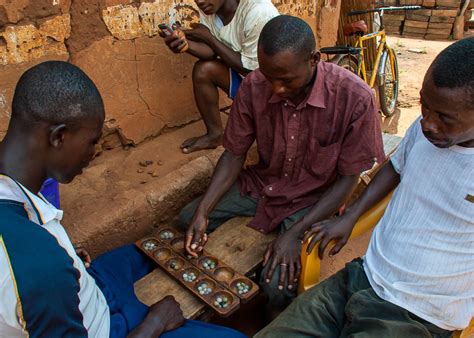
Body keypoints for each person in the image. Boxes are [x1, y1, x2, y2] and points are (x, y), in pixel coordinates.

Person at [0, 61, 246, 338]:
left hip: (87, 285)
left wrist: (65, 251)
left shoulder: (13, 193)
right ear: (59, 137)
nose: (93, 152)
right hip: (107, 327)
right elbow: (30, 272)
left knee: (152, 248)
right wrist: (153, 325)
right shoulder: (38, 272)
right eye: (93, 141)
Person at [256, 37, 474, 337]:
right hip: (362, 277)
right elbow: (395, 168)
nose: (428, 123)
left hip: (417, 315)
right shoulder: (423, 130)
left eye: (445, 118)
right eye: (424, 104)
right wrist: (350, 216)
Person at [178, 15, 385, 317]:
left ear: (314, 60)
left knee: (277, 287)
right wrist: (202, 211)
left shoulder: (355, 98)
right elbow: (234, 154)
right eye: (268, 75)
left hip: (313, 201)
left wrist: (294, 234)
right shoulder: (254, 85)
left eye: (286, 80)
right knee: (186, 219)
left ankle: (271, 322)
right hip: (263, 185)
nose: (275, 89)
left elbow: (347, 180)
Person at [160, 0, 279, 153]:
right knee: (204, 70)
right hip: (247, 84)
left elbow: (251, 71)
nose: (200, 1)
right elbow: (210, 51)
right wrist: (185, 45)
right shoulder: (210, 7)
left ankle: (265, 121)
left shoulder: (258, 11)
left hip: (273, 92)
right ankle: (215, 135)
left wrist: (209, 38)